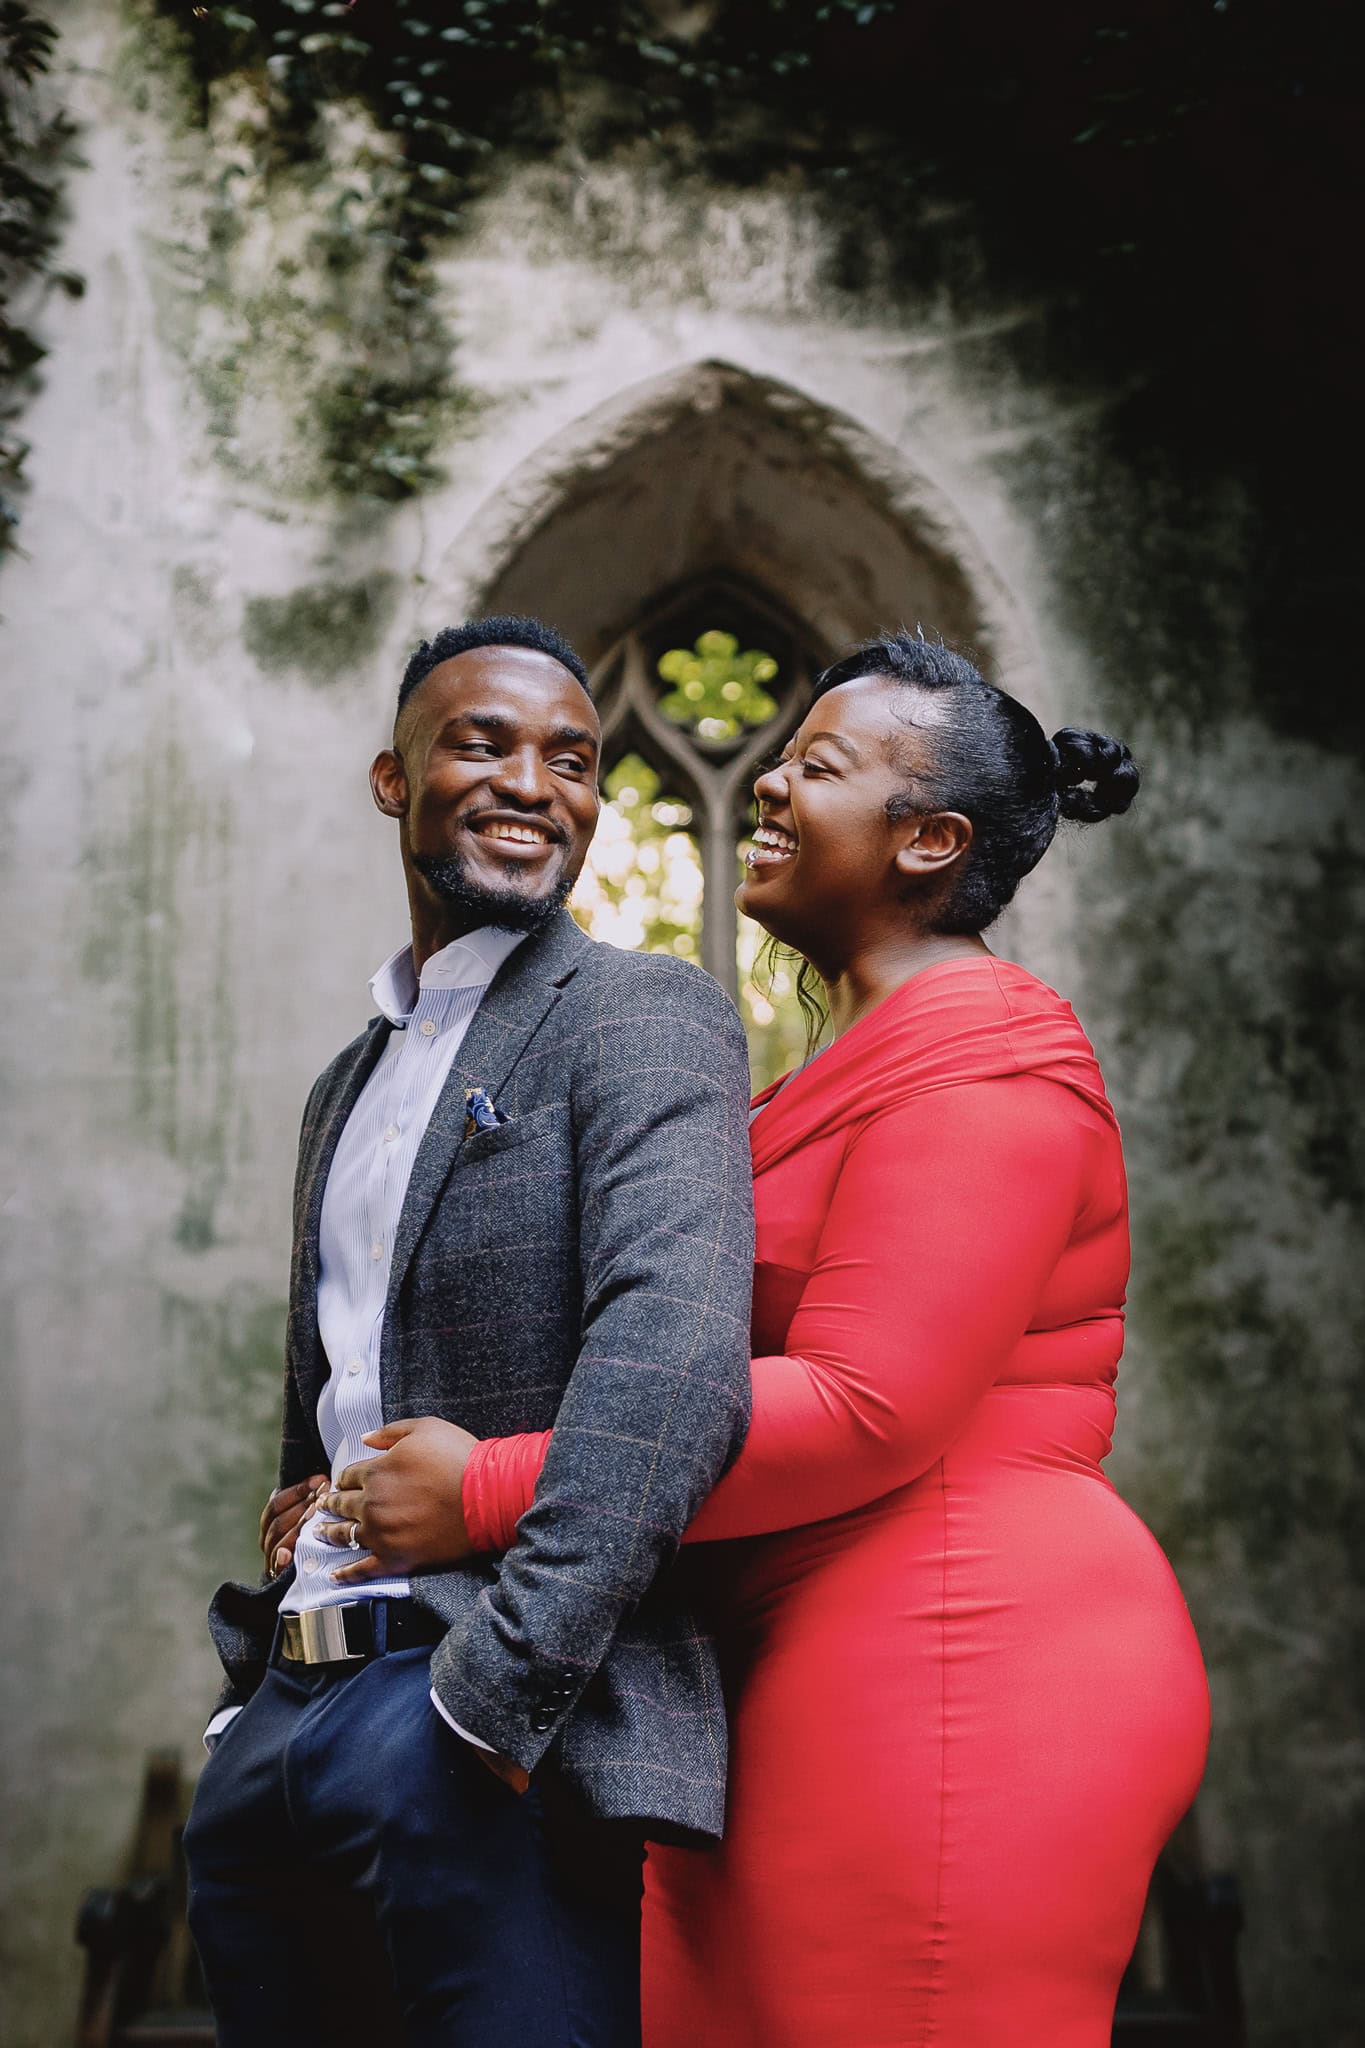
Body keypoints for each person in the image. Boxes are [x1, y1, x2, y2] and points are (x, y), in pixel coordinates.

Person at [290, 633, 1212, 2048]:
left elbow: (863, 1404)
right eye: (777, 758)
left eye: (817, 767)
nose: (768, 785)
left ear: (929, 842)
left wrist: (482, 1489)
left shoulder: (986, 1050)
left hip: (959, 1647)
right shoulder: (822, 1072)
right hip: (784, 1665)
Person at [184, 615, 754, 2048]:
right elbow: (343, 1374)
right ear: (395, 779)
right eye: (481, 742)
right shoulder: (344, 1082)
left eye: (570, 759)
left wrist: (497, 1698)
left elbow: (673, 1357)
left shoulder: (639, 1017)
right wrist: (264, 1665)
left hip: (481, 1725)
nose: (532, 782)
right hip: (283, 1726)